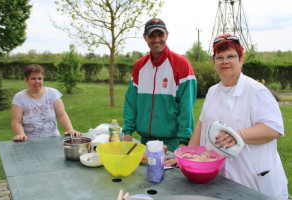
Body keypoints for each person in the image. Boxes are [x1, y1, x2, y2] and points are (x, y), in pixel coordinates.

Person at [165, 34, 288, 199]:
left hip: (253, 181)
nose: (225, 61)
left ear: (241, 59)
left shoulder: (256, 91)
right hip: (221, 180)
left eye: (231, 56)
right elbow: (201, 125)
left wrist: (239, 134)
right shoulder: (213, 91)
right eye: (219, 57)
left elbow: (274, 129)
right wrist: (185, 157)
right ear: (214, 62)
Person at [122, 18, 197, 152]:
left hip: (172, 144)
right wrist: (127, 131)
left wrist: (183, 143)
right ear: (145, 37)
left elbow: (186, 108)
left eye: (160, 35)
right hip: (144, 142)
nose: (156, 40)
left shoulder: (181, 64)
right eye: (152, 35)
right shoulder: (139, 66)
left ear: (167, 34)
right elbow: (131, 101)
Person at [11, 64, 81, 141]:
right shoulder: (19, 97)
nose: (37, 81)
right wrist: (21, 135)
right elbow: (16, 121)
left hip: (53, 138)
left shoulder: (52, 93)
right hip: (29, 141)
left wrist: (70, 129)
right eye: (33, 78)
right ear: (26, 80)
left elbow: (61, 115)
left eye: (40, 78)